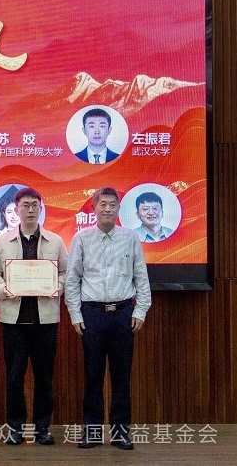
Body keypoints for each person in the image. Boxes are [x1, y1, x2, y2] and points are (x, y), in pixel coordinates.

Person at [65, 187, 152, 450]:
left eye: (112, 204)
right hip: (92, 315)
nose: (107, 209)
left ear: (118, 209)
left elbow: (141, 277)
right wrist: (75, 313)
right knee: (92, 375)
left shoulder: (130, 237)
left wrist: (140, 310)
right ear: (94, 208)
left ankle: (120, 433)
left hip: (124, 314)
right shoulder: (82, 238)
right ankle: (92, 432)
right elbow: (72, 279)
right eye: (102, 204)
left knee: (121, 377)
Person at [0, 187, 68, 446]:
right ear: (17, 209)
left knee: (44, 377)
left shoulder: (55, 241)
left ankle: (42, 428)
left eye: (35, 205)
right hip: (14, 321)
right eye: (25, 205)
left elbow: (66, 273)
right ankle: (15, 428)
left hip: (45, 321)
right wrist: (3, 289)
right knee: (14, 377)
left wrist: (57, 286)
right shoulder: (3, 242)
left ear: (41, 208)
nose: (30, 210)